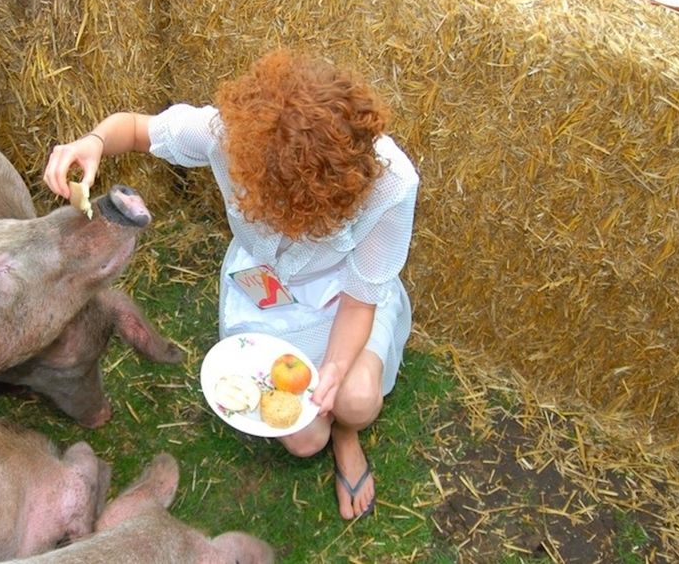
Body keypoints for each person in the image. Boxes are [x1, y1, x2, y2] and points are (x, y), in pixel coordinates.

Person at [44, 48, 419, 521]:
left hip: (340, 295)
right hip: (263, 290)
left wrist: (337, 369)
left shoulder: (392, 184)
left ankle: (347, 436)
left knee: (358, 400)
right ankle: (327, 428)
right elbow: (137, 130)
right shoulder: (230, 135)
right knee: (304, 441)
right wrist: (94, 142)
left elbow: (361, 300)